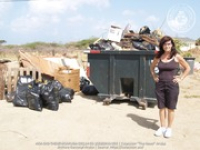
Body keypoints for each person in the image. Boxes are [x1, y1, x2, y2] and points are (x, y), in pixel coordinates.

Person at [150, 35, 190, 138]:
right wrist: (154, 76)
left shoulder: (176, 56)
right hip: (160, 85)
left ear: (171, 44)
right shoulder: (158, 56)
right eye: (165, 44)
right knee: (161, 107)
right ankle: (162, 127)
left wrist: (180, 78)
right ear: (162, 45)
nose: (167, 45)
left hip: (172, 85)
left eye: (169, 43)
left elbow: (187, 68)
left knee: (171, 108)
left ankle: (169, 128)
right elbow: (152, 67)